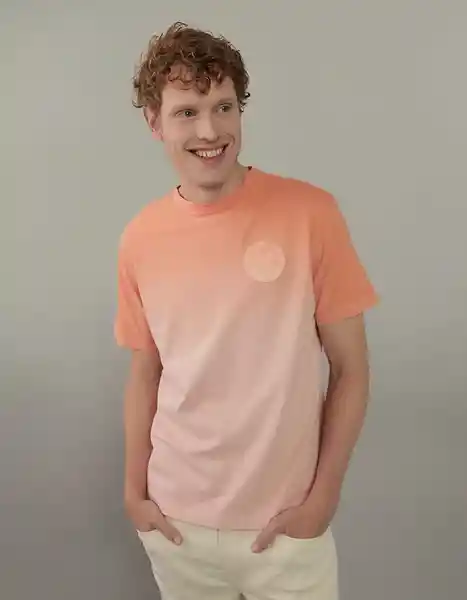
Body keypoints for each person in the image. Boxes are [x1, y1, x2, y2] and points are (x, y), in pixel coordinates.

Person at [114, 21, 378, 600]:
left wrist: (323, 499)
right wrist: (134, 494)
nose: (210, 131)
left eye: (223, 107)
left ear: (240, 109)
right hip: (176, 524)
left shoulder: (311, 215)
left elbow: (352, 370)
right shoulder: (140, 238)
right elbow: (146, 372)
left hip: (284, 528)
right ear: (154, 121)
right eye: (187, 112)